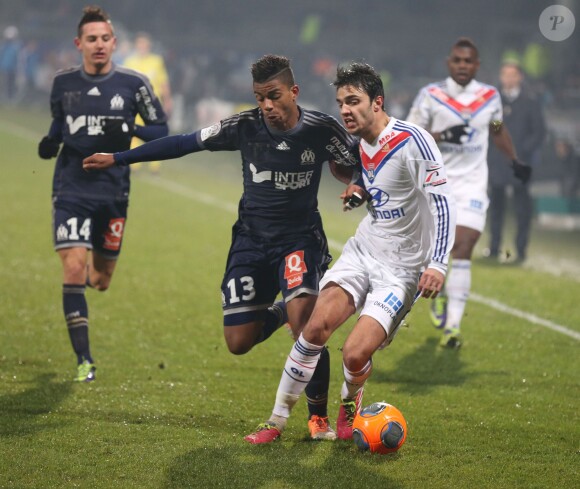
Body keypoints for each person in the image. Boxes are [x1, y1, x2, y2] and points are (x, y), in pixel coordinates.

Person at [83, 54, 364, 440]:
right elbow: (183, 143)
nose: (266, 105)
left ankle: (317, 418)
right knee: (238, 342)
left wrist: (356, 183)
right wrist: (119, 157)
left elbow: (360, 157)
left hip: (299, 239)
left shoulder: (320, 128)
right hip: (250, 241)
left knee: (307, 326)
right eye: (259, 97)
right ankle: (281, 310)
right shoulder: (244, 126)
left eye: (274, 96)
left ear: (293, 92)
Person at [243, 62, 456, 444]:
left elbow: (442, 203)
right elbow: (365, 170)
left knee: (354, 355)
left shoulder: (413, 141)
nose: (345, 109)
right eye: (340, 101)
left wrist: (438, 264)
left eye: (353, 101)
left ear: (378, 102)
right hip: (363, 251)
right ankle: (275, 422)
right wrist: (360, 188)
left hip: (402, 270)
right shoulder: (356, 142)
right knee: (312, 330)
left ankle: (350, 402)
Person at [38, 6, 168, 382]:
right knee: (74, 268)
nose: (99, 45)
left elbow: (161, 130)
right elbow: (59, 124)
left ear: (114, 43)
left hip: (113, 190)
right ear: (79, 44)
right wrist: (50, 142)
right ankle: (84, 361)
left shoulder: (134, 84)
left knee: (101, 279)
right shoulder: (63, 83)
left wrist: (132, 128)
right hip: (71, 187)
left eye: (105, 38)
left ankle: (89, 282)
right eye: (91, 39)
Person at [407, 37, 530, 348]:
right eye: (457, 61)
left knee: (463, 245)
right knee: (437, 252)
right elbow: (410, 135)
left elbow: (497, 127)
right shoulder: (431, 95)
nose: (462, 66)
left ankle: (453, 327)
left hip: (473, 183)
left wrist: (514, 159)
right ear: (450, 63)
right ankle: (441, 292)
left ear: (477, 66)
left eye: (468, 61)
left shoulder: (491, 97)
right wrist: (444, 134)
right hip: (436, 184)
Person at [486, 61, 545, 263]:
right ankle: (493, 248)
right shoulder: (494, 102)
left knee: (522, 209)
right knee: (496, 208)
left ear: (520, 77)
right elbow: (491, 129)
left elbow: (538, 131)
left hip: (520, 163)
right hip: (497, 163)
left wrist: (522, 151)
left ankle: (520, 251)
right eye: (505, 74)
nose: (508, 79)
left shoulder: (530, 101)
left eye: (512, 75)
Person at [123, 31, 173, 174]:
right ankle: (135, 166)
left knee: (156, 134)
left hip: (153, 104)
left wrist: (168, 100)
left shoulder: (156, 61)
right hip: (135, 103)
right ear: (136, 45)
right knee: (134, 131)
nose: (142, 46)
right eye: (140, 44)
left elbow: (163, 82)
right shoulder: (130, 62)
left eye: (144, 44)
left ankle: (155, 167)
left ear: (148, 45)